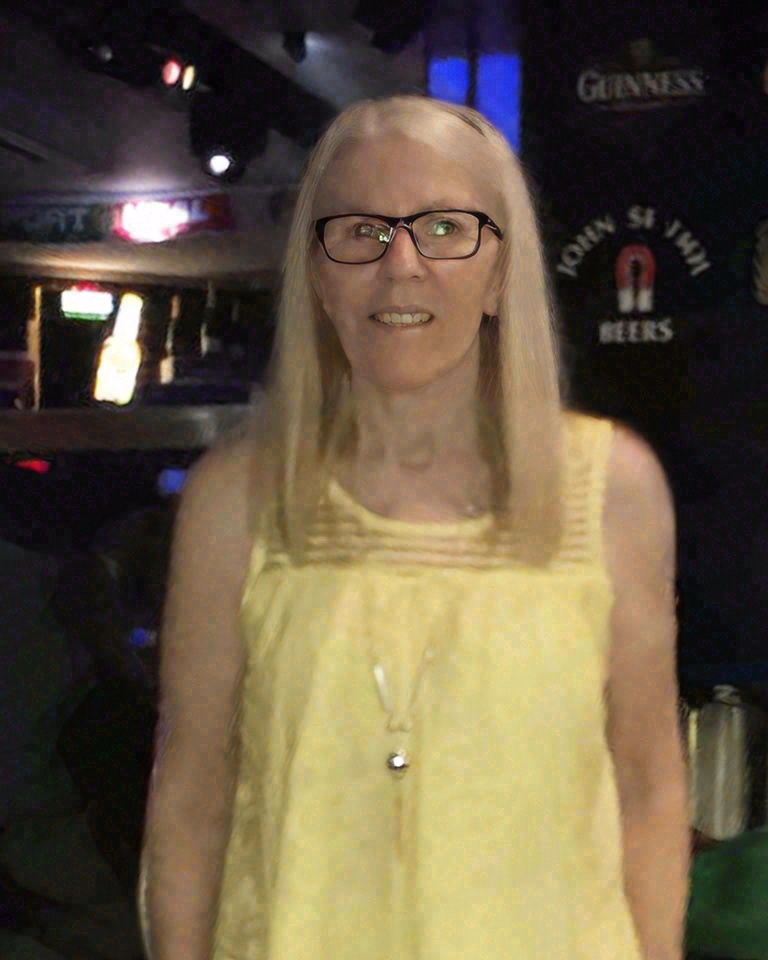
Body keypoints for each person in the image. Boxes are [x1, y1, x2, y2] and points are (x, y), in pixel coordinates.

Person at [139, 94, 689, 960]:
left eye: (443, 229)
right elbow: (190, 802)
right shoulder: (235, 500)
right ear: (317, 275)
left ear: (502, 271)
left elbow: (649, 787)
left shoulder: (610, 489)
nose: (401, 266)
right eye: (361, 231)